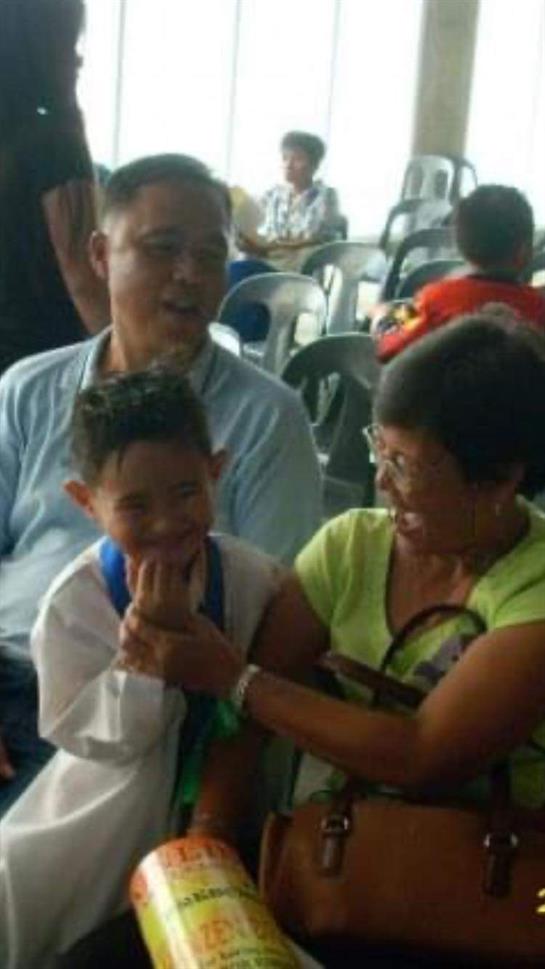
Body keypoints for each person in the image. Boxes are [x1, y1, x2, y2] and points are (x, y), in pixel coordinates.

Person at [122, 314, 545, 844]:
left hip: (487, 868)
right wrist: (208, 836)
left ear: (499, 480)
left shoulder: (533, 586)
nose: (381, 481)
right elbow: (245, 725)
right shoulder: (352, 547)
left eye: (405, 465)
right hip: (336, 852)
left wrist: (234, 677)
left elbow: (421, 755)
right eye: (380, 450)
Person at [0, 152, 322, 814]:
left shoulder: (265, 417)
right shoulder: (28, 389)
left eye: (210, 255)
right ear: (99, 254)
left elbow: (281, 628)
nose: (189, 274)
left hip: (133, 718)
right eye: (162, 248)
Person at [0, 367, 287, 969]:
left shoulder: (253, 577)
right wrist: (143, 660)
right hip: (105, 811)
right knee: (42, 920)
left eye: (185, 493)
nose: (165, 522)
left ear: (216, 470)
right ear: (86, 501)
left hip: (220, 804)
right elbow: (87, 734)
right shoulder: (77, 601)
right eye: (135, 504)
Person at [0, 0, 109, 373]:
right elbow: (84, 277)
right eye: (70, 42)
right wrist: (131, 368)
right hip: (39, 364)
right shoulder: (53, 143)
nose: (79, 58)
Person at [374, 185, 545, 361]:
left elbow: (387, 343)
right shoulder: (538, 307)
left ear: (460, 247)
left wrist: (381, 314)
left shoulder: (431, 298)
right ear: (524, 252)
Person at [239, 131, 343, 272]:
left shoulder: (326, 196)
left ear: (315, 165)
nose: (288, 165)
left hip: (300, 267)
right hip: (269, 258)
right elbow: (254, 221)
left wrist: (274, 247)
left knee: (241, 271)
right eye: (285, 158)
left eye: (298, 159)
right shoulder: (273, 194)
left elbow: (319, 239)